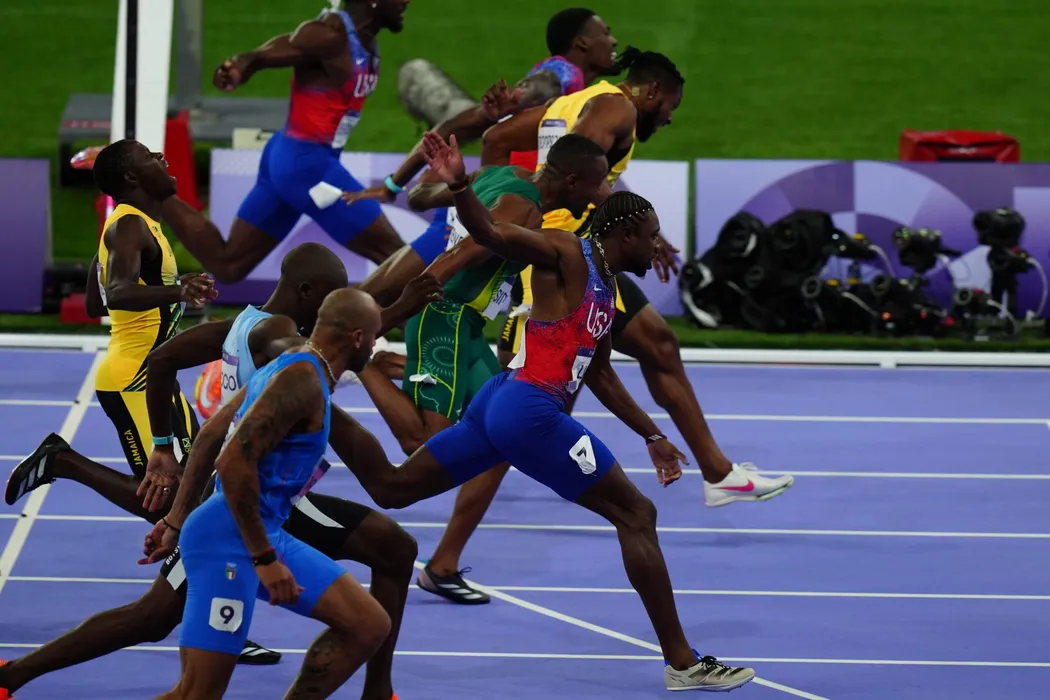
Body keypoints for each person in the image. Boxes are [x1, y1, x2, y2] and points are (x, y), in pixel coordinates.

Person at [337, 133, 756, 692]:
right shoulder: (565, 251)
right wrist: (459, 184)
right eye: (652, 236)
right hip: (529, 408)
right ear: (626, 234)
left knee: (392, 488)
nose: (657, 246)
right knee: (636, 515)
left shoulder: (606, 288)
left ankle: (327, 404)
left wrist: (652, 434)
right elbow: (490, 233)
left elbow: (600, 374)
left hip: (502, 402)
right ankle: (683, 663)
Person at [0, 247, 438, 700]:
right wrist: (262, 557)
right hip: (241, 507)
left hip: (247, 500)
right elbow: (236, 450)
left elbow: (180, 385)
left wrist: (168, 475)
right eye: (367, 333)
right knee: (168, 645)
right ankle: (12, 675)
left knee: (379, 581)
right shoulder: (284, 345)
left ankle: (12, 677)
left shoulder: (250, 326)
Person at [354, 134, 610, 603]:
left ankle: (442, 565)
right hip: (446, 319)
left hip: (469, 327)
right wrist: (391, 317)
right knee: (425, 445)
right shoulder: (523, 207)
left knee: (501, 438)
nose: (596, 198)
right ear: (572, 181)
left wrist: (449, 186)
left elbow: (422, 196)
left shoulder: (499, 174)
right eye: (596, 186)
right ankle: (367, 364)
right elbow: (460, 255)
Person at [154, 287, 390, 700]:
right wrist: (263, 558)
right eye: (375, 337)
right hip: (229, 540)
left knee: (367, 624)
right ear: (357, 338)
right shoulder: (302, 380)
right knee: (196, 694)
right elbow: (231, 461)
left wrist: (175, 520)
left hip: (262, 531)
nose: (375, 347)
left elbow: (210, 434)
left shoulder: (291, 365)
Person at [346, 7, 620, 309]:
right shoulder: (565, 75)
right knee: (372, 300)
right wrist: (520, 97)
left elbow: (460, 124)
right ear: (582, 43)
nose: (614, 41)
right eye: (606, 33)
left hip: (502, 213)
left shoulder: (579, 95)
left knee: (410, 301)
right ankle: (324, 328)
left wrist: (392, 185)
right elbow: (535, 88)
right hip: (489, 212)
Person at [157, 0, 411, 284]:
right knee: (399, 257)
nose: (407, 1)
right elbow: (270, 53)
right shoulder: (330, 35)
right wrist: (242, 66)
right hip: (308, 167)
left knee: (230, 264)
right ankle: (403, 314)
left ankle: (150, 191)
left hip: (290, 159)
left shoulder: (362, 39)